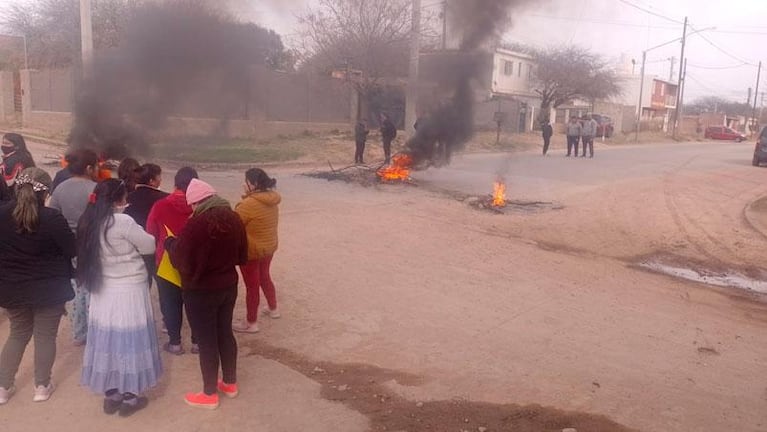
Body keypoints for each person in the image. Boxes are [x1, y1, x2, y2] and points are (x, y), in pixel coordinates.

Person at [77, 179, 161, 416]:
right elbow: (149, 245)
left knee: (108, 340)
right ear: (118, 199)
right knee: (131, 341)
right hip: (129, 291)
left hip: (102, 292)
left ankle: (111, 394)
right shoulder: (123, 221)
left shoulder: (88, 221)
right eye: (124, 196)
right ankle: (130, 397)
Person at [167, 179, 247, 409]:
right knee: (225, 333)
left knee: (206, 339)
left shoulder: (196, 224)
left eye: (192, 205)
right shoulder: (234, 217)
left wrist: (172, 243)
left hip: (200, 291)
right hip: (228, 285)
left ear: (197, 202)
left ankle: (209, 393)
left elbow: (182, 260)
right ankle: (230, 383)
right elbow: (243, 255)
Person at [0, 168, 75, 405]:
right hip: (49, 289)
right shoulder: (52, 218)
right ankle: (41, 386)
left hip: (12, 287)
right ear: (46, 192)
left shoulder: (1, 214)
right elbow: (72, 250)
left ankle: (2, 387)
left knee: (17, 334)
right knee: (45, 336)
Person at [145, 167, 199, 355]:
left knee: (170, 301)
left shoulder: (160, 205)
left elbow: (150, 232)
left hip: (166, 260)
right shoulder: (199, 205)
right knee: (194, 301)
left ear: (175, 183)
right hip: (194, 261)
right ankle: (197, 342)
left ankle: (175, 343)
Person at [48, 148, 99, 346]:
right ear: (89, 168)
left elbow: (53, 216)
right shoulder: (95, 189)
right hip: (92, 246)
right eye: (96, 167)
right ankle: (94, 329)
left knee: (76, 289)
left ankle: (79, 332)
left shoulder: (60, 189)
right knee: (93, 289)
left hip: (68, 247)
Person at [234, 168, 281, 334]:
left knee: (251, 286)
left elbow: (234, 226)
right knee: (264, 277)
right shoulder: (272, 199)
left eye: (246, 181)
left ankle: (251, 322)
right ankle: (273, 308)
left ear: (252, 184)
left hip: (252, 251)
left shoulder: (248, 205)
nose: (243, 184)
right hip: (269, 247)